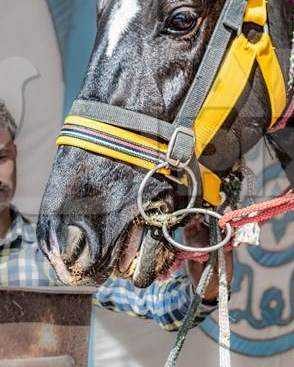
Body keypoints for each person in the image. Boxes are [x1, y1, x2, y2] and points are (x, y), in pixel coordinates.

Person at [0, 100, 233, 331]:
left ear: (15, 155)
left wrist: (209, 278)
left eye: (1, 157)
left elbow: (163, 303)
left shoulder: (54, 253)